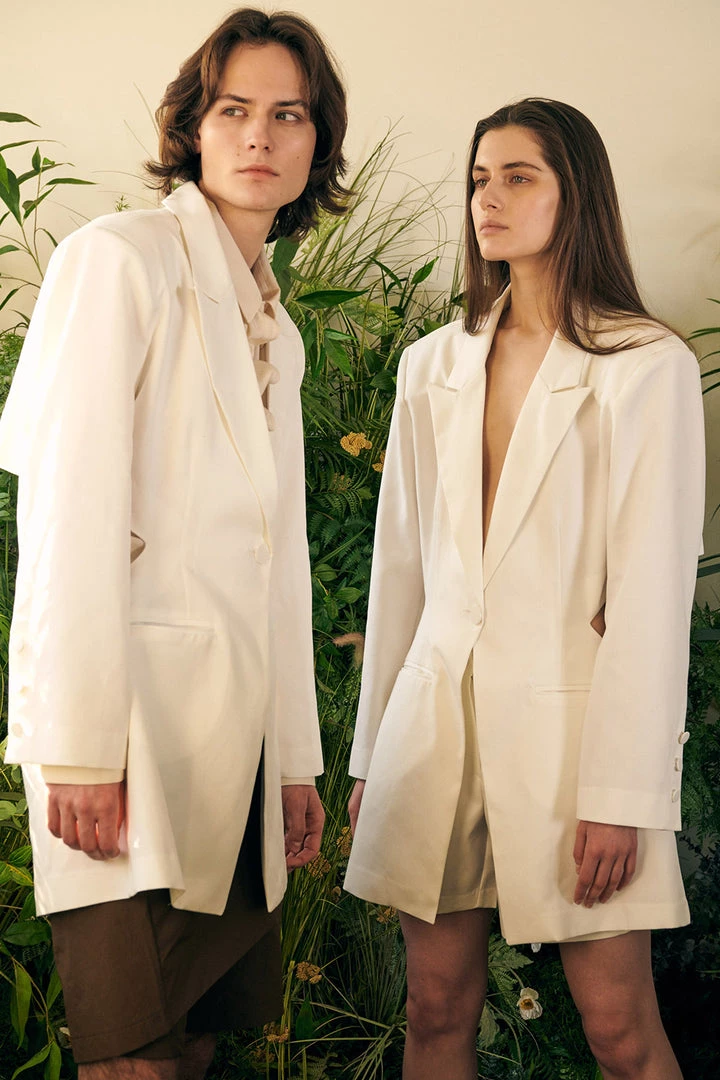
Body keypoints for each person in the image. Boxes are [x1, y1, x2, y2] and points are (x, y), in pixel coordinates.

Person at [0, 8, 347, 1078]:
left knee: (197, 1046)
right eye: (233, 110)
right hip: (128, 739)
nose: (259, 136)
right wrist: (76, 745)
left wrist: (294, 758)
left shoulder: (277, 327)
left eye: (288, 115)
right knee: (132, 1058)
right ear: (193, 128)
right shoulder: (119, 261)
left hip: (236, 750)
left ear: (317, 143)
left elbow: (277, 562)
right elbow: (67, 510)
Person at [345, 98, 704, 1079]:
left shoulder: (644, 365)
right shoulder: (432, 365)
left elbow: (651, 597)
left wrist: (623, 793)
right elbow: (401, 571)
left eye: (517, 177)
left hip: (575, 741)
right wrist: (373, 753)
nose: (488, 200)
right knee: (433, 1009)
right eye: (478, 179)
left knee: (619, 1028)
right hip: (435, 729)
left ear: (572, 192)